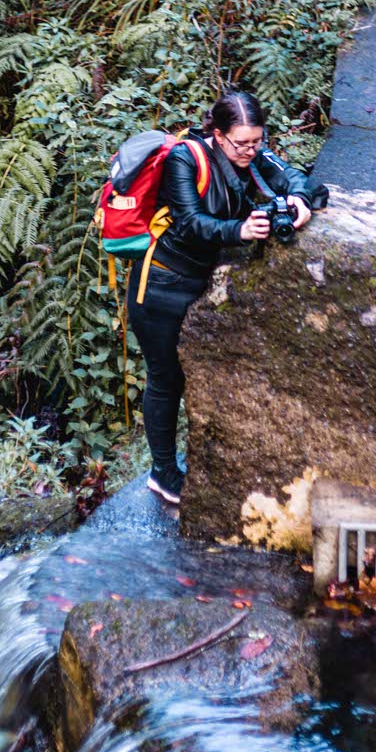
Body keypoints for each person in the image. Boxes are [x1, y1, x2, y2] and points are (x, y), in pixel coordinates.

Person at [127, 90, 316, 506]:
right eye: (241, 143)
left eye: (257, 141)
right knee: (165, 379)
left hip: (197, 282)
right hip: (160, 285)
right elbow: (192, 222)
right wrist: (240, 231)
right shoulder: (186, 159)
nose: (250, 150)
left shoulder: (248, 156)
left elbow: (295, 177)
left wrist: (299, 201)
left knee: (188, 376)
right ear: (218, 134)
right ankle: (161, 473)